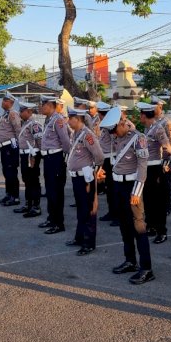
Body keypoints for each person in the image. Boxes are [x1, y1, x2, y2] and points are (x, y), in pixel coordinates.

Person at [101, 106, 154, 285]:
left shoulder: (138, 139)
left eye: (115, 130)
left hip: (132, 187)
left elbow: (142, 166)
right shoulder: (117, 137)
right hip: (118, 184)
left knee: (138, 227)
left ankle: (146, 268)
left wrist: (137, 191)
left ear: (123, 124)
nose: (113, 134)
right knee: (124, 226)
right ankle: (130, 260)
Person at [66, 108, 105, 255]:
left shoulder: (87, 135)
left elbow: (99, 156)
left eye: (71, 118)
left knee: (89, 210)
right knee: (81, 209)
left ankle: (89, 243)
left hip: (86, 177)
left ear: (78, 119)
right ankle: (79, 237)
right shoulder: (76, 133)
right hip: (77, 177)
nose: (69, 121)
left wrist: (94, 170)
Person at [137, 102, 171, 244]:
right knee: (149, 200)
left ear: (144, 116)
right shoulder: (148, 129)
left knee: (158, 202)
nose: (140, 117)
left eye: (141, 115)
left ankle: (161, 231)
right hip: (147, 169)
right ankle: (151, 226)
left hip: (156, 169)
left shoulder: (158, 129)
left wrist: (165, 162)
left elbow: (167, 148)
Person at [38, 95, 71, 234]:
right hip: (48, 159)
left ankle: (58, 223)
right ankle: (51, 218)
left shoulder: (58, 120)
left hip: (56, 159)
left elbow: (65, 141)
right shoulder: (49, 119)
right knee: (50, 191)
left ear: (50, 106)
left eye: (43, 105)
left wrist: (63, 158)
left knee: (56, 192)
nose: (41, 107)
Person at [14, 101, 44, 217]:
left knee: (33, 181)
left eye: (22, 111)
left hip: (31, 156)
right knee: (27, 180)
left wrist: (35, 156)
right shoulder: (25, 123)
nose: (20, 113)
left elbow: (39, 141)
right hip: (24, 155)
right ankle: (28, 204)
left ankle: (36, 207)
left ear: (29, 111)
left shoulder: (34, 124)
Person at [0, 93, 22, 206]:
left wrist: (16, 148)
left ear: (10, 102)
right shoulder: (5, 114)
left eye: (4, 101)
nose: (2, 102)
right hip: (4, 147)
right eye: (3, 100)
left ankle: (15, 197)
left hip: (10, 147)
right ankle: (8, 194)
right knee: (6, 171)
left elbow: (18, 131)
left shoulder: (13, 114)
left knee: (11, 172)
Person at [96, 101, 119, 227]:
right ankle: (111, 212)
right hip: (105, 159)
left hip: (111, 159)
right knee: (109, 188)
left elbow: (116, 143)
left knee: (114, 188)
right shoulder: (105, 125)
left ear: (101, 114)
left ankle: (117, 215)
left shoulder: (110, 126)